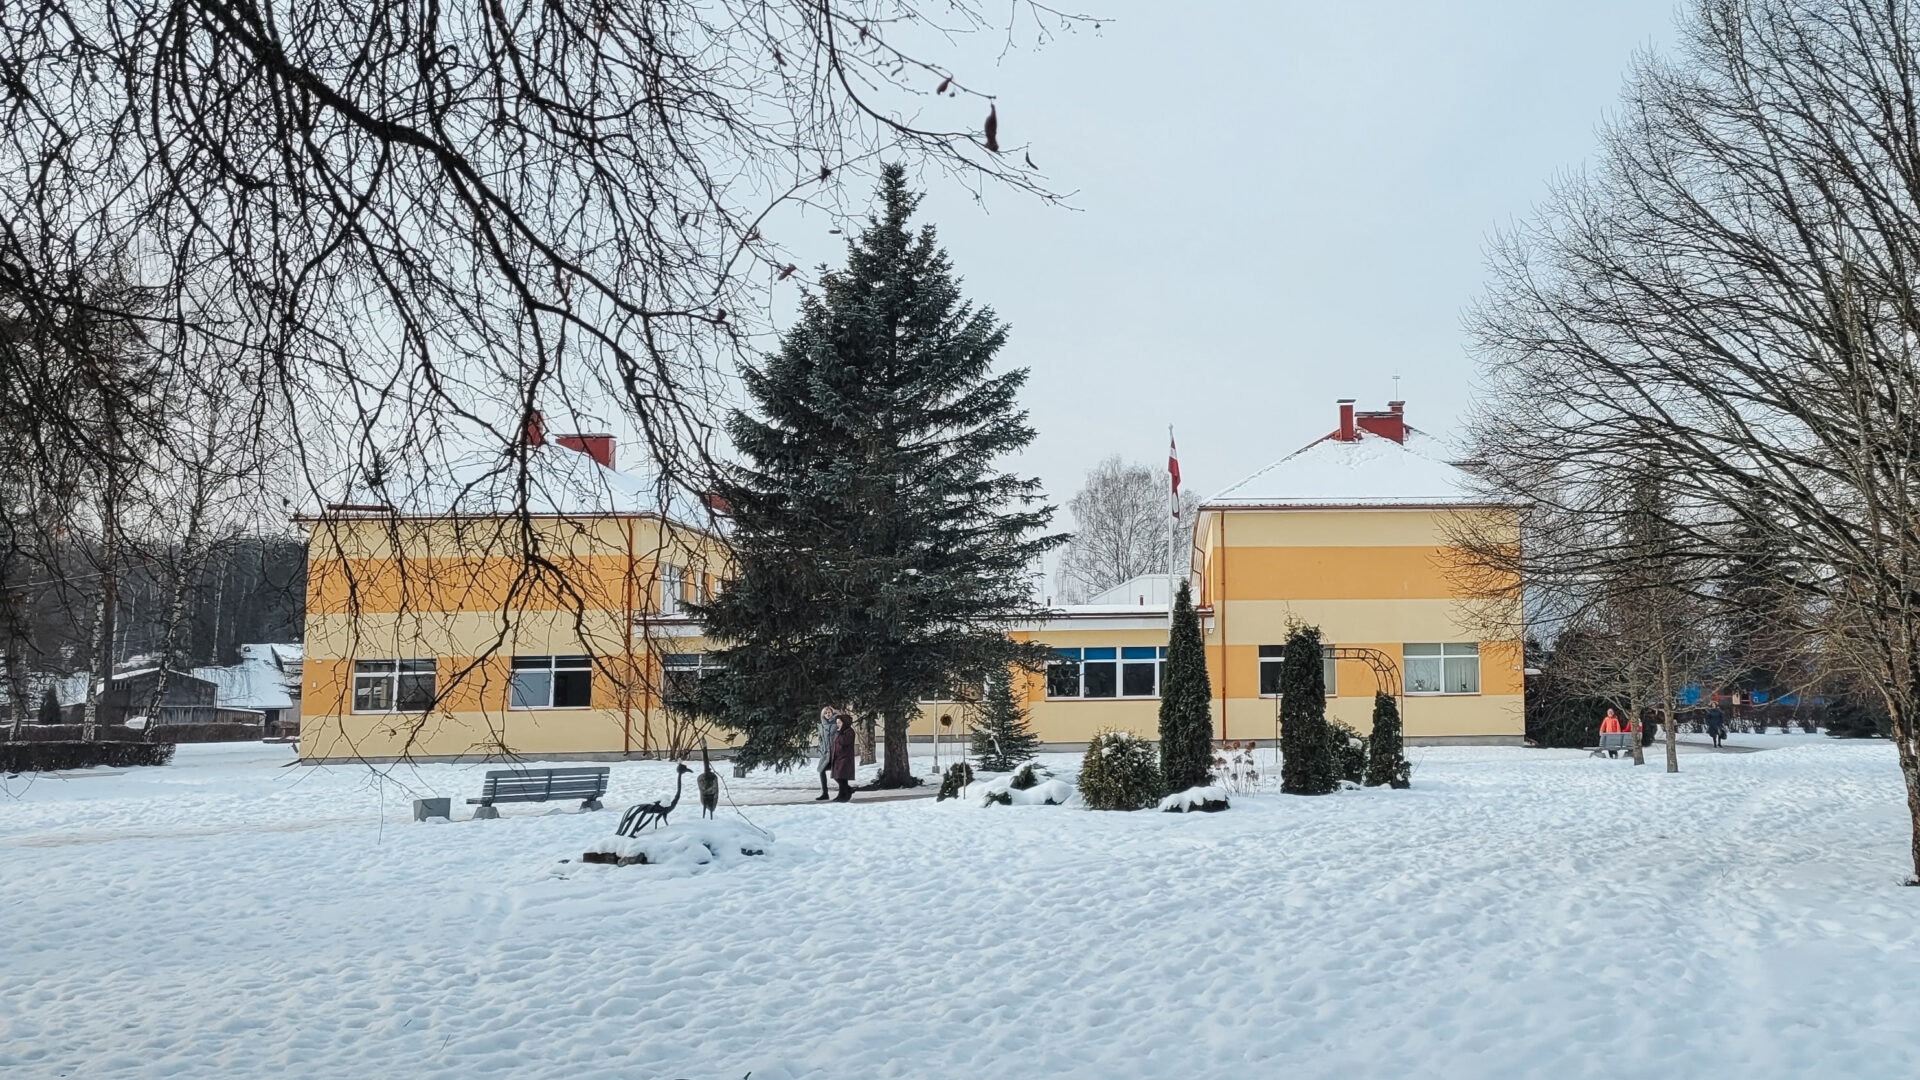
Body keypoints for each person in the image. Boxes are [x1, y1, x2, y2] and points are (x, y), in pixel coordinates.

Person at [829, 711, 857, 802]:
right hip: (837, 757)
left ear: (845, 723)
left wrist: (839, 733)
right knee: (837, 776)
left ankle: (843, 794)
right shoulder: (839, 732)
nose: (837, 725)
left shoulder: (849, 732)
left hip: (845, 758)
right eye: (837, 723)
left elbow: (843, 742)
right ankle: (846, 791)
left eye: (839, 723)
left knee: (841, 777)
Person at [814, 706, 838, 801]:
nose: (828, 714)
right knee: (821, 771)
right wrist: (822, 748)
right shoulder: (821, 726)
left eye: (829, 712)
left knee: (836, 773)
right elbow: (821, 739)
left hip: (834, 752)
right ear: (823, 715)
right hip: (825, 753)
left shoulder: (836, 723)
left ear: (832, 713)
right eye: (825, 713)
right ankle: (825, 793)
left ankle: (846, 788)